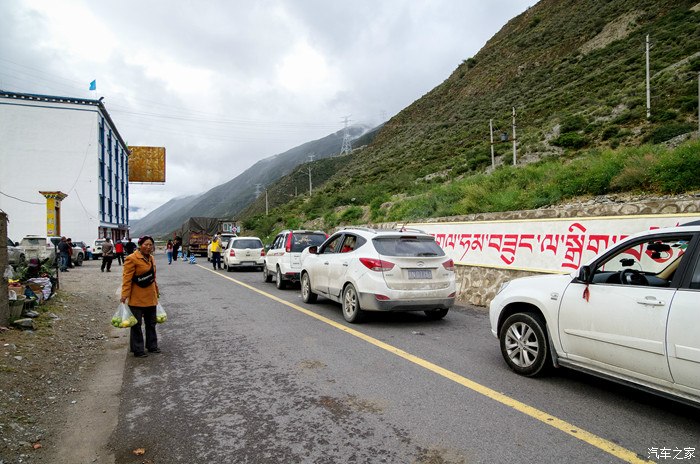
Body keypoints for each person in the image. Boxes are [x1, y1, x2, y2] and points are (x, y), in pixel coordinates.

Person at [121, 236, 160, 358]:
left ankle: (152, 346)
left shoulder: (151, 258)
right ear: (140, 245)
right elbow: (127, 278)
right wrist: (124, 295)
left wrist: (156, 291)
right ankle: (137, 349)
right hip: (137, 297)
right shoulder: (131, 258)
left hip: (151, 296)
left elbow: (153, 277)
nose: (148, 247)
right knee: (136, 324)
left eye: (150, 245)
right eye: (146, 244)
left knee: (151, 323)